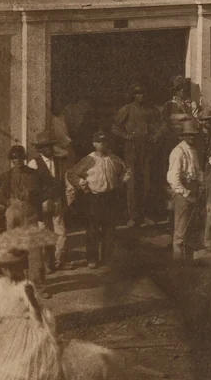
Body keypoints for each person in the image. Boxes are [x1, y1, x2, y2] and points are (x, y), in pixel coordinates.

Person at [0, 247, 62, 380]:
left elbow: (38, 314)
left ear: (19, 266)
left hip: (23, 329)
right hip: (1, 326)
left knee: (20, 364)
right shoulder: (0, 284)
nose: (8, 271)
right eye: (5, 267)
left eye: (11, 267)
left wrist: (32, 299)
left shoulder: (26, 286)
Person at [65, 131, 129, 269]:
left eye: (105, 142)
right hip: (94, 197)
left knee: (109, 228)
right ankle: (92, 258)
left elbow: (123, 172)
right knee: (92, 228)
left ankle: (108, 258)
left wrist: (122, 180)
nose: (103, 145)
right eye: (100, 142)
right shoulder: (88, 160)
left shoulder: (114, 159)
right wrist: (82, 184)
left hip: (110, 197)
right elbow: (71, 174)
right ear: (94, 144)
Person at [0, 146, 47, 292]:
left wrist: (37, 198)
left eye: (19, 157)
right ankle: (17, 283)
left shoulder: (35, 174)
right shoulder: (6, 176)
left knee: (35, 251)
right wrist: (6, 202)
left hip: (31, 213)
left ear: (24, 158)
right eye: (13, 158)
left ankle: (39, 285)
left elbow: (49, 188)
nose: (16, 160)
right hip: (12, 214)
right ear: (11, 160)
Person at [113, 83, 155, 228]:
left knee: (146, 181)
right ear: (133, 95)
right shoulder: (127, 109)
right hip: (131, 148)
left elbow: (157, 125)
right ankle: (132, 215)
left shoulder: (148, 110)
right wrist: (125, 135)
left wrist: (153, 137)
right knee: (132, 182)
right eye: (137, 94)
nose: (140, 96)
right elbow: (114, 128)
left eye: (142, 93)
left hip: (145, 147)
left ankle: (145, 214)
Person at [27, 135, 69, 273]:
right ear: (40, 149)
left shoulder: (58, 162)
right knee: (43, 231)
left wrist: (62, 198)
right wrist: (42, 200)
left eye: (50, 146)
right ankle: (45, 264)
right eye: (45, 147)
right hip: (42, 202)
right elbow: (32, 186)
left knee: (61, 231)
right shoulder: (34, 163)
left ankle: (59, 261)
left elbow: (62, 180)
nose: (49, 149)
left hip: (57, 200)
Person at [168, 117, 204, 265]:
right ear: (182, 136)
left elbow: (198, 171)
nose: (191, 137)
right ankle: (178, 266)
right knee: (180, 232)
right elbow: (173, 178)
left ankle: (189, 264)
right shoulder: (178, 152)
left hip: (194, 190)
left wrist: (201, 185)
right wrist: (185, 193)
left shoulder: (193, 150)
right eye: (188, 135)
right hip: (183, 192)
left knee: (191, 230)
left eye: (193, 135)